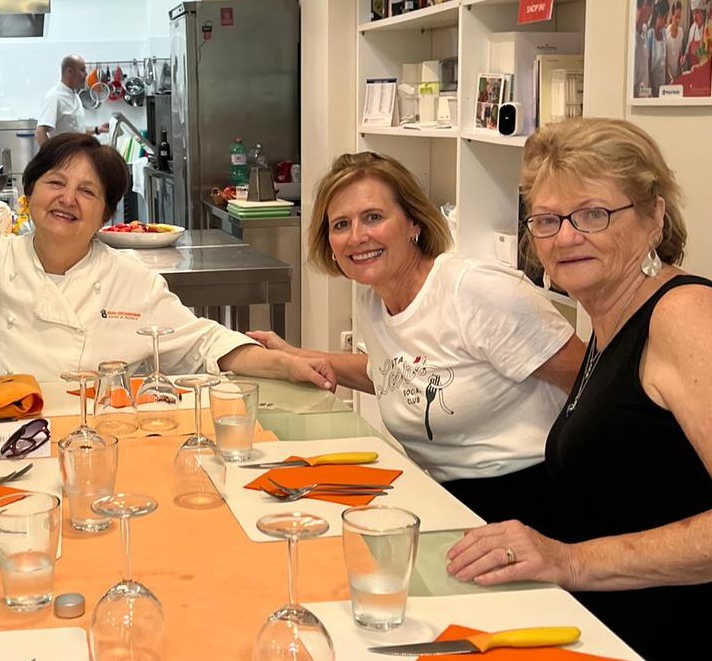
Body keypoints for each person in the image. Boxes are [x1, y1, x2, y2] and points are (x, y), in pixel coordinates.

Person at [445, 118, 712, 659]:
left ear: (654, 217)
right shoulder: (608, 322)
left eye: (593, 213)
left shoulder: (688, 316)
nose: (566, 237)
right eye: (547, 220)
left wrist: (572, 561)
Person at [245, 151, 584, 526]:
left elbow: (592, 385)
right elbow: (397, 372)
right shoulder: (373, 300)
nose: (357, 237)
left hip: (533, 500)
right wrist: (296, 357)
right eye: (341, 224)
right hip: (444, 496)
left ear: (414, 223)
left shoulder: (472, 289)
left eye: (373, 217)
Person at [0, 132, 333, 388]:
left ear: (105, 214)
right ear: (29, 194)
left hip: (98, 445)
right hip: (3, 446)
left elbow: (203, 342)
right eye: (56, 182)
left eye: (87, 191)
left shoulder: (130, 279)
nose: (68, 199)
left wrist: (284, 364)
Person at [35, 55, 110, 147]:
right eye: (82, 70)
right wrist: (51, 155)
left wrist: (97, 130)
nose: (86, 74)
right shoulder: (55, 97)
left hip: (77, 152)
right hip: (64, 154)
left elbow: (76, 130)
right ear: (69, 71)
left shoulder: (75, 95)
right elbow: (40, 132)